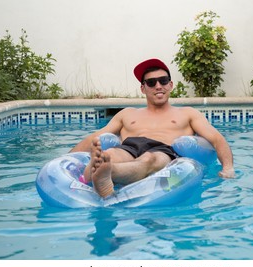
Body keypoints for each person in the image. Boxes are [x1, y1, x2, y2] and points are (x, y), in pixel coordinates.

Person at [70, 58, 234, 197]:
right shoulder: (127, 114)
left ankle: (108, 174)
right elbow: (94, 137)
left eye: (163, 81)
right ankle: (103, 171)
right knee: (110, 153)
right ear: (143, 88)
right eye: (151, 82)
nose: (158, 86)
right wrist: (67, 159)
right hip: (129, 146)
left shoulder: (187, 113)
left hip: (164, 150)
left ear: (170, 85)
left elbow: (217, 139)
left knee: (149, 159)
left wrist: (228, 168)